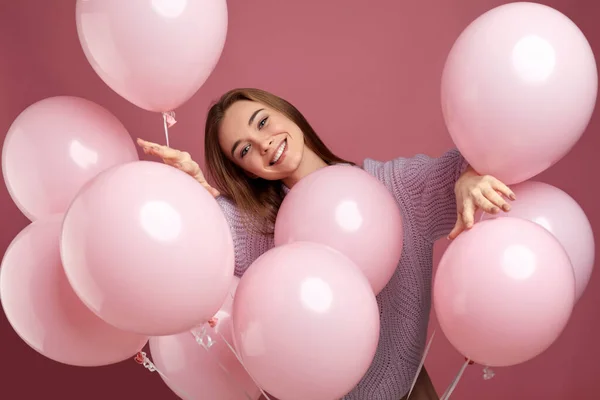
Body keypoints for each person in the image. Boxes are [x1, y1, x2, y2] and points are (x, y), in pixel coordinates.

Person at [137, 88, 515, 400]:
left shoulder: (395, 188)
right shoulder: (253, 228)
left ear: (286, 113)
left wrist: (469, 175)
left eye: (263, 122)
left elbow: (481, 153)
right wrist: (187, 196)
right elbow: (197, 239)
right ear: (244, 171)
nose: (264, 144)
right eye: (244, 150)